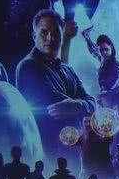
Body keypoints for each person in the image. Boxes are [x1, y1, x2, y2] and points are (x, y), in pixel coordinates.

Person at [15, 9, 95, 162]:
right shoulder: (28, 66)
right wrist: (83, 106)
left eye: (56, 33)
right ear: (34, 36)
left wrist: (78, 105)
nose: (50, 38)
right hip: (50, 156)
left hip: (77, 154)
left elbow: (92, 102)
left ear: (62, 35)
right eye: (44, 32)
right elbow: (55, 106)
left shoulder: (68, 70)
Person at [82, 27, 119, 109]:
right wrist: (87, 38)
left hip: (117, 101)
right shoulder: (102, 59)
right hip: (106, 100)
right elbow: (93, 51)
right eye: (101, 50)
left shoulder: (116, 62)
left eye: (106, 49)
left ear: (111, 48)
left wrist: (111, 92)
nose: (104, 52)